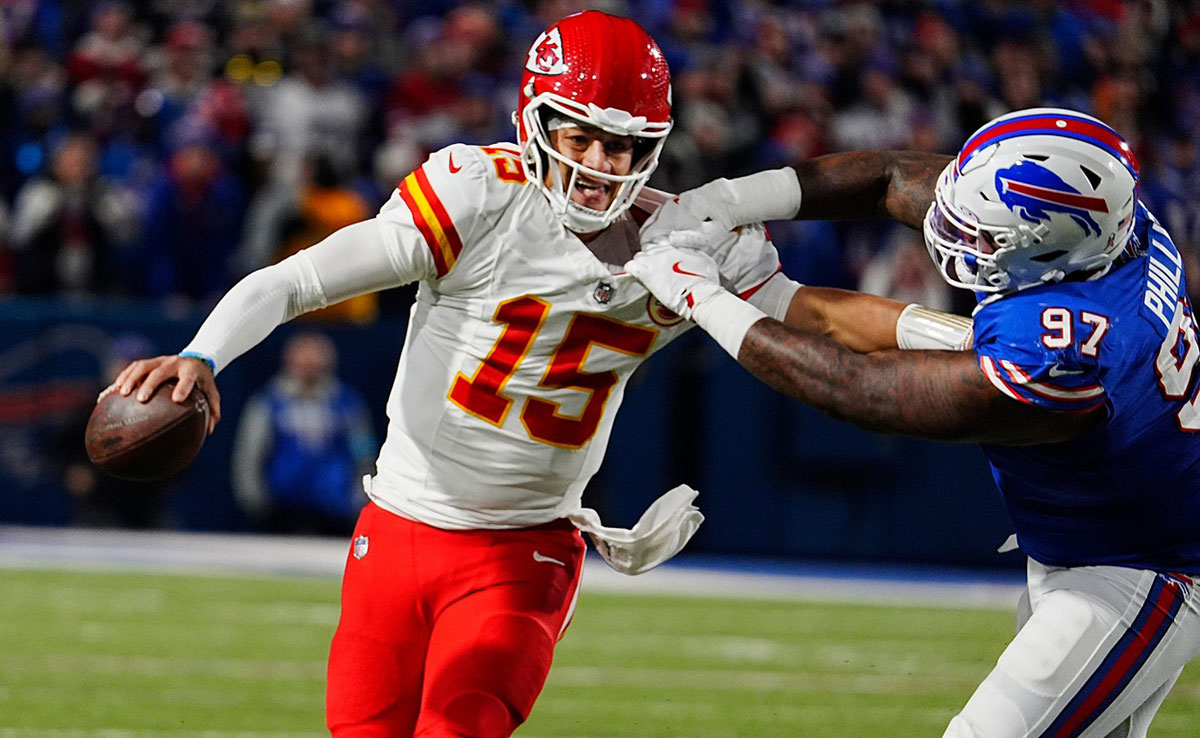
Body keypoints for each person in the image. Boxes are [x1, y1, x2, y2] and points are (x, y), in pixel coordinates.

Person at [104, 12, 969, 737]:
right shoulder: (479, 197)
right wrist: (201, 354)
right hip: (396, 530)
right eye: (582, 135)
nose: (602, 165)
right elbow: (293, 280)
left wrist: (956, 335)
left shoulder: (688, 241)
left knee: (462, 717)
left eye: (627, 145)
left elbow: (819, 314)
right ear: (536, 122)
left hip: (523, 549)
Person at [628, 108, 1200, 738]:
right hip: (1089, 542)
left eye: (982, 236)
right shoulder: (1107, 233)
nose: (954, 237)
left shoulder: (1068, 351)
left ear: (1053, 249)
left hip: (1143, 568)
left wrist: (704, 298)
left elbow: (857, 390)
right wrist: (726, 203)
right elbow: (889, 176)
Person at [232, 331, 375, 536]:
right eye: (302, 362)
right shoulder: (269, 403)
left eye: (315, 361)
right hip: (280, 510)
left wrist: (358, 498)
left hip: (335, 509)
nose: (309, 367)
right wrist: (254, 499)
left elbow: (364, 453)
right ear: (289, 362)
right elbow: (249, 453)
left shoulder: (347, 404)